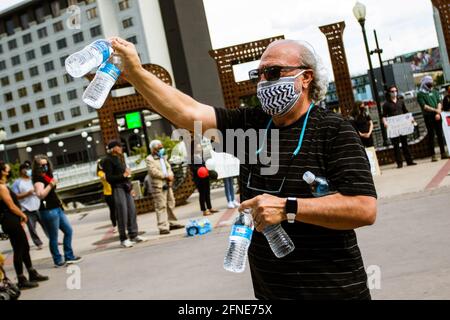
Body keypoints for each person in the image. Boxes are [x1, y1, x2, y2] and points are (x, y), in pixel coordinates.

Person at [111, 37, 377, 299]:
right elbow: (187, 113)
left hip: (334, 291)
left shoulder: (334, 130)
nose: (262, 82)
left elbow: (364, 209)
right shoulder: (254, 125)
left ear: (305, 77)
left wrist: (288, 208)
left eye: (272, 72)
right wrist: (135, 73)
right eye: (257, 75)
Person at [0, 161, 49, 288]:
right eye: (6, 167)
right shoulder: (1, 187)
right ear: (2, 171)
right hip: (10, 220)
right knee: (18, 249)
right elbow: (10, 205)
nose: (9, 168)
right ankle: (21, 279)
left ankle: (32, 272)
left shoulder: (4, 185)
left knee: (25, 246)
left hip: (13, 219)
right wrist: (23, 215)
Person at [32, 155, 83, 267]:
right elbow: (41, 195)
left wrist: (51, 183)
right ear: (37, 166)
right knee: (54, 237)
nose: (44, 167)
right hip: (48, 210)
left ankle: (69, 256)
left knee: (68, 231)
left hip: (57, 208)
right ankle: (58, 260)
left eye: (46, 164)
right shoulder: (38, 179)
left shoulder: (47, 176)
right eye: (41, 165)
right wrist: (51, 185)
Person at [102, 140, 147, 247]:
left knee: (132, 211)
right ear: (114, 148)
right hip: (117, 189)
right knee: (122, 213)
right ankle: (123, 239)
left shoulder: (119, 158)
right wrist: (124, 175)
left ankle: (134, 235)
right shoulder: (107, 160)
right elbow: (109, 178)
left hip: (126, 188)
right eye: (119, 147)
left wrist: (130, 187)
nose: (121, 148)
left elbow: (125, 176)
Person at [145, 140, 184, 235]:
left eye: (162, 147)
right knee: (161, 206)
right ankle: (162, 227)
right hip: (158, 186)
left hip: (168, 184)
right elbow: (153, 172)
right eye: (159, 148)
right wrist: (165, 176)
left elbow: (168, 168)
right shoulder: (149, 159)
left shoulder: (163, 157)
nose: (161, 149)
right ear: (153, 149)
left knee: (171, 203)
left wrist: (170, 175)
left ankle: (172, 222)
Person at [12, 162, 49, 249]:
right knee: (32, 228)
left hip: (39, 206)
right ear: (21, 171)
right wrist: (28, 193)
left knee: (46, 224)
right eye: (25, 169)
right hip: (27, 208)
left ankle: (53, 239)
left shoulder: (34, 179)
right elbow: (16, 196)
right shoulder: (17, 183)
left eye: (29, 168)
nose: (27, 171)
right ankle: (38, 243)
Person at [382, 85, 417, 168]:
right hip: (393, 127)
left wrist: (411, 119)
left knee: (405, 143)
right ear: (389, 93)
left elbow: (406, 112)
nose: (394, 93)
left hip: (402, 126)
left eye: (395, 91)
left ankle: (409, 161)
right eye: (392, 91)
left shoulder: (400, 101)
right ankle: (399, 163)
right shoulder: (386, 104)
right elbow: (383, 115)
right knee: (396, 145)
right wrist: (385, 123)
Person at [417, 76, 449, 161]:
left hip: (437, 115)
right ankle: (433, 155)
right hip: (428, 116)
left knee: (440, 134)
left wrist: (438, 111)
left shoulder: (435, 91)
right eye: (428, 82)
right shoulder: (420, 94)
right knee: (431, 135)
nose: (430, 83)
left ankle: (443, 153)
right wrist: (435, 110)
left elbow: (439, 102)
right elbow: (424, 106)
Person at [190, 142, 219, 216]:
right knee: (202, 194)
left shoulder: (200, 156)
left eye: (200, 147)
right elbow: (193, 168)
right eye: (198, 147)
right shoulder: (192, 158)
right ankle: (204, 210)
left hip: (205, 177)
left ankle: (210, 208)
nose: (200, 148)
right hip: (199, 179)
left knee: (207, 193)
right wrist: (201, 169)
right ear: (194, 148)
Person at [97, 159, 117, 233]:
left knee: (119, 209)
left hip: (115, 191)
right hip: (108, 194)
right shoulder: (100, 172)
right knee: (112, 210)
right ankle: (115, 225)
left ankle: (121, 223)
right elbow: (105, 177)